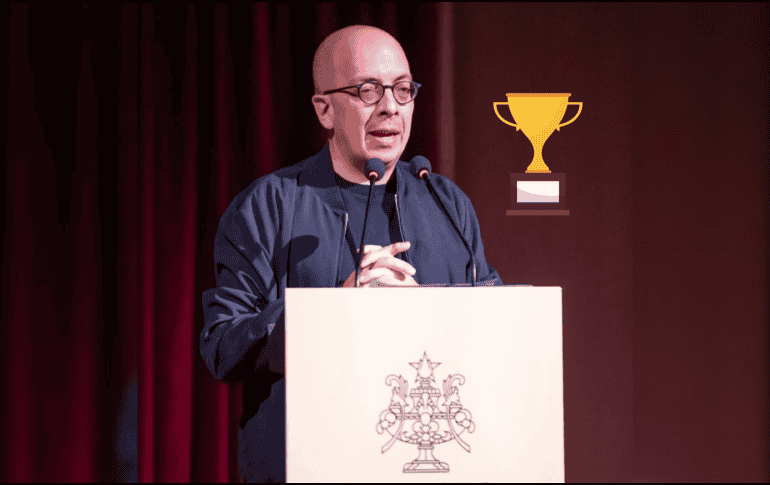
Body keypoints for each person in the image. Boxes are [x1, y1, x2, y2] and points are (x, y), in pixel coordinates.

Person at [200, 25, 502, 482]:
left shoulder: (445, 203)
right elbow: (222, 346)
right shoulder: (269, 206)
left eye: (403, 90)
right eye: (368, 90)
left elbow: (496, 325)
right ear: (324, 109)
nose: (390, 107)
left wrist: (436, 312)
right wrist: (329, 312)